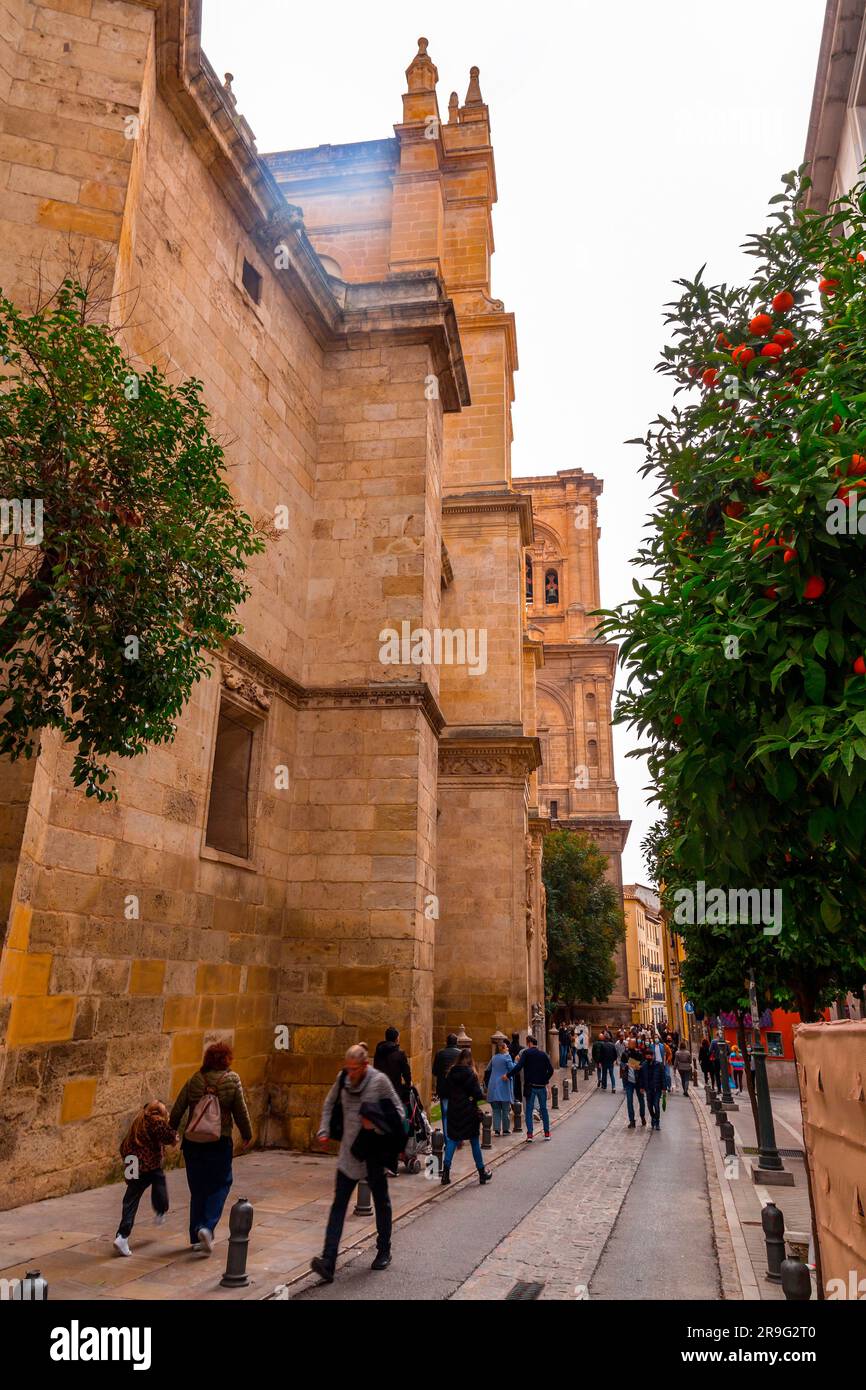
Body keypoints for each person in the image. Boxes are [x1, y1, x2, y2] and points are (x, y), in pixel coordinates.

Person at [312, 1043, 406, 1283]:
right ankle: (328, 1261)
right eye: (348, 1068)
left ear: (365, 1065)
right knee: (338, 1206)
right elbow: (329, 1103)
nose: (350, 1073)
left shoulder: (379, 1081)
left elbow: (399, 1111)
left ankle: (384, 1249)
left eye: (354, 1069)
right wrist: (324, 1130)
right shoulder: (342, 1078)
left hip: (373, 1153)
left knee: (381, 1201)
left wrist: (374, 1123)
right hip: (348, 1154)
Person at [170, 1041, 252, 1253]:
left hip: (192, 1143)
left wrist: (170, 1133)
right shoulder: (232, 1080)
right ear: (227, 1059)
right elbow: (241, 1112)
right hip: (219, 1142)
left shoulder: (195, 1080)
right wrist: (247, 1134)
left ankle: (196, 1237)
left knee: (198, 1189)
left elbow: (178, 1109)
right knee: (221, 1183)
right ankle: (207, 1227)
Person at [114, 1101, 177, 1256]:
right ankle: (161, 1211)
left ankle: (122, 1236)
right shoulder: (155, 1121)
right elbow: (168, 1135)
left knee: (131, 1198)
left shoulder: (139, 1120)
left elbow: (124, 1145)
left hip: (131, 1161)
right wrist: (174, 1137)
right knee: (159, 1180)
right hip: (147, 1162)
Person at [439, 1049, 492, 1185]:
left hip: (454, 1110)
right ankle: (481, 1173)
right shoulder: (471, 1074)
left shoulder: (451, 1073)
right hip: (468, 1111)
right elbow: (477, 1094)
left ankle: (445, 1174)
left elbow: (445, 1091)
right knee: (474, 1141)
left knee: (452, 1140)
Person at [508, 1034, 554, 1141]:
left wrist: (508, 1075)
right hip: (541, 1086)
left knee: (529, 1110)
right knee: (544, 1110)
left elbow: (519, 1066)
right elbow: (551, 1070)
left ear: (529, 1043)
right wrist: (544, 1079)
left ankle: (530, 1135)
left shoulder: (526, 1053)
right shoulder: (544, 1055)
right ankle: (547, 1133)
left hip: (530, 1086)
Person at [373, 1026, 412, 1105]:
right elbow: (406, 1072)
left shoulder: (378, 1051)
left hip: (380, 1090)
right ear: (397, 1038)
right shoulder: (400, 1054)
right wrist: (409, 1084)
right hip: (394, 1091)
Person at [432, 1031, 460, 1139]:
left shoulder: (440, 1053)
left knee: (445, 1114)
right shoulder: (460, 1053)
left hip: (443, 1088)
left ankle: (447, 1139)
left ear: (446, 1042)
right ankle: (455, 1137)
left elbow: (434, 1071)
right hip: (457, 1089)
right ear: (456, 1042)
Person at [486, 1038, 515, 1135]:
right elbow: (512, 1068)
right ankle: (506, 1129)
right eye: (506, 1047)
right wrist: (516, 1062)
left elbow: (488, 1068)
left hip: (493, 1085)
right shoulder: (507, 1057)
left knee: (496, 1110)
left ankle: (497, 1130)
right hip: (503, 1085)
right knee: (505, 1109)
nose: (508, 1048)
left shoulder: (494, 1058)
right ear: (503, 1048)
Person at [639, 1046, 666, 1131]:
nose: (649, 1057)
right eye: (647, 1056)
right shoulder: (643, 1065)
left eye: (650, 1056)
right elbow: (641, 1077)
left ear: (653, 1056)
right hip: (648, 1089)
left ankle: (657, 1122)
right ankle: (653, 1118)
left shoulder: (658, 1065)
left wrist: (664, 1088)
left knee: (656, 1105)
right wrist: (642, 1087)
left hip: (657, 1089)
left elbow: (663, 1077)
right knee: (650, 1106)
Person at [621, 1041, 645, 1128]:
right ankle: (632, 1120)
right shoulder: (625, 1054)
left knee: (641, 1100)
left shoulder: (639, 1054)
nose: (629, 1045)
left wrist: (637, 1066)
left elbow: (643, 1066)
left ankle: (642, 1116)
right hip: (629, 1082)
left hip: (638, 1082)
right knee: (629, 1101)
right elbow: (622, 1065)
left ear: (635, 1045)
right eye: (629, 1044)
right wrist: (625, 1066)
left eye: (631, 1043)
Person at [508, 1032, 524, 1107]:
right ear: (518, 1038)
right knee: (518, 1084)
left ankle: (512, 1098)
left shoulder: (508, 1047)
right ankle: (518, 1099)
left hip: (510, 1069)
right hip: (519, 1069)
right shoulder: (521, 1048)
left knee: (511, 1085)